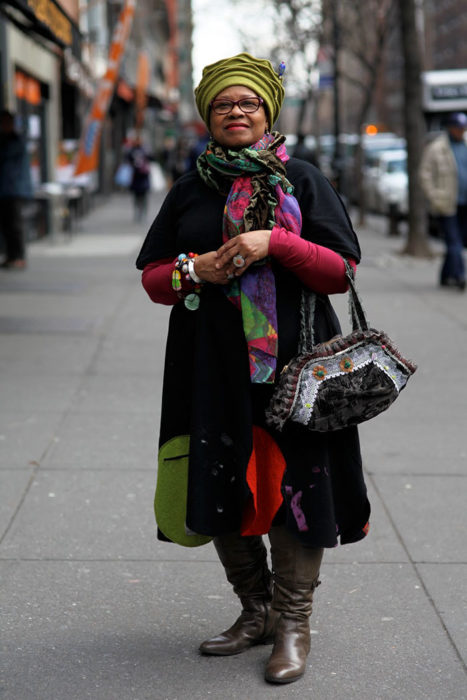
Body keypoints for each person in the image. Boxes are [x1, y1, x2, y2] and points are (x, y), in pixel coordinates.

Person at [136, 53, 370, 685]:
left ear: (267, 110)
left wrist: (277, 243)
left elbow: (340, 270)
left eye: (247, 103)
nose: (235, 112)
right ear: (207, 117)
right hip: (208, 363)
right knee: (219, 478)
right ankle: (256, 609)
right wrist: (197, 268)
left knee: (299, 483)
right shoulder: (190, 189)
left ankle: (294, 623)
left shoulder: (304, 181)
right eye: (222, 104)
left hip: (296, 366)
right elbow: (154, 277)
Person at [419, 112, 467, 290]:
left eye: (463, 128)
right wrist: (434, 196)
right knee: (454, 242)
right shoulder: (437, 148)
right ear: (450, 128)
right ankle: (460, 276)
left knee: (457, 242)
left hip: (464, 203)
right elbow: (425, 174)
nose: (461, 131)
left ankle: (445, 275)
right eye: (458, 128)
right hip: (446, 204)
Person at [0, 109, 33, 269]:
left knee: (14, 224)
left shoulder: (15, 140)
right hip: (6, 189)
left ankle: (19, 256)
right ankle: (11, 256)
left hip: (13, 189)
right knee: (7, 225)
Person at [127, 137, 151, 223]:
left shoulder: (145, 150)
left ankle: (143, 213)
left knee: (143, 197)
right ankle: (137, 213)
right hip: (136, 178)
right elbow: (128, 159)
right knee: (136, 197)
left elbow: (151, 158)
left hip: (143, 177)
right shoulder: (132, 151)